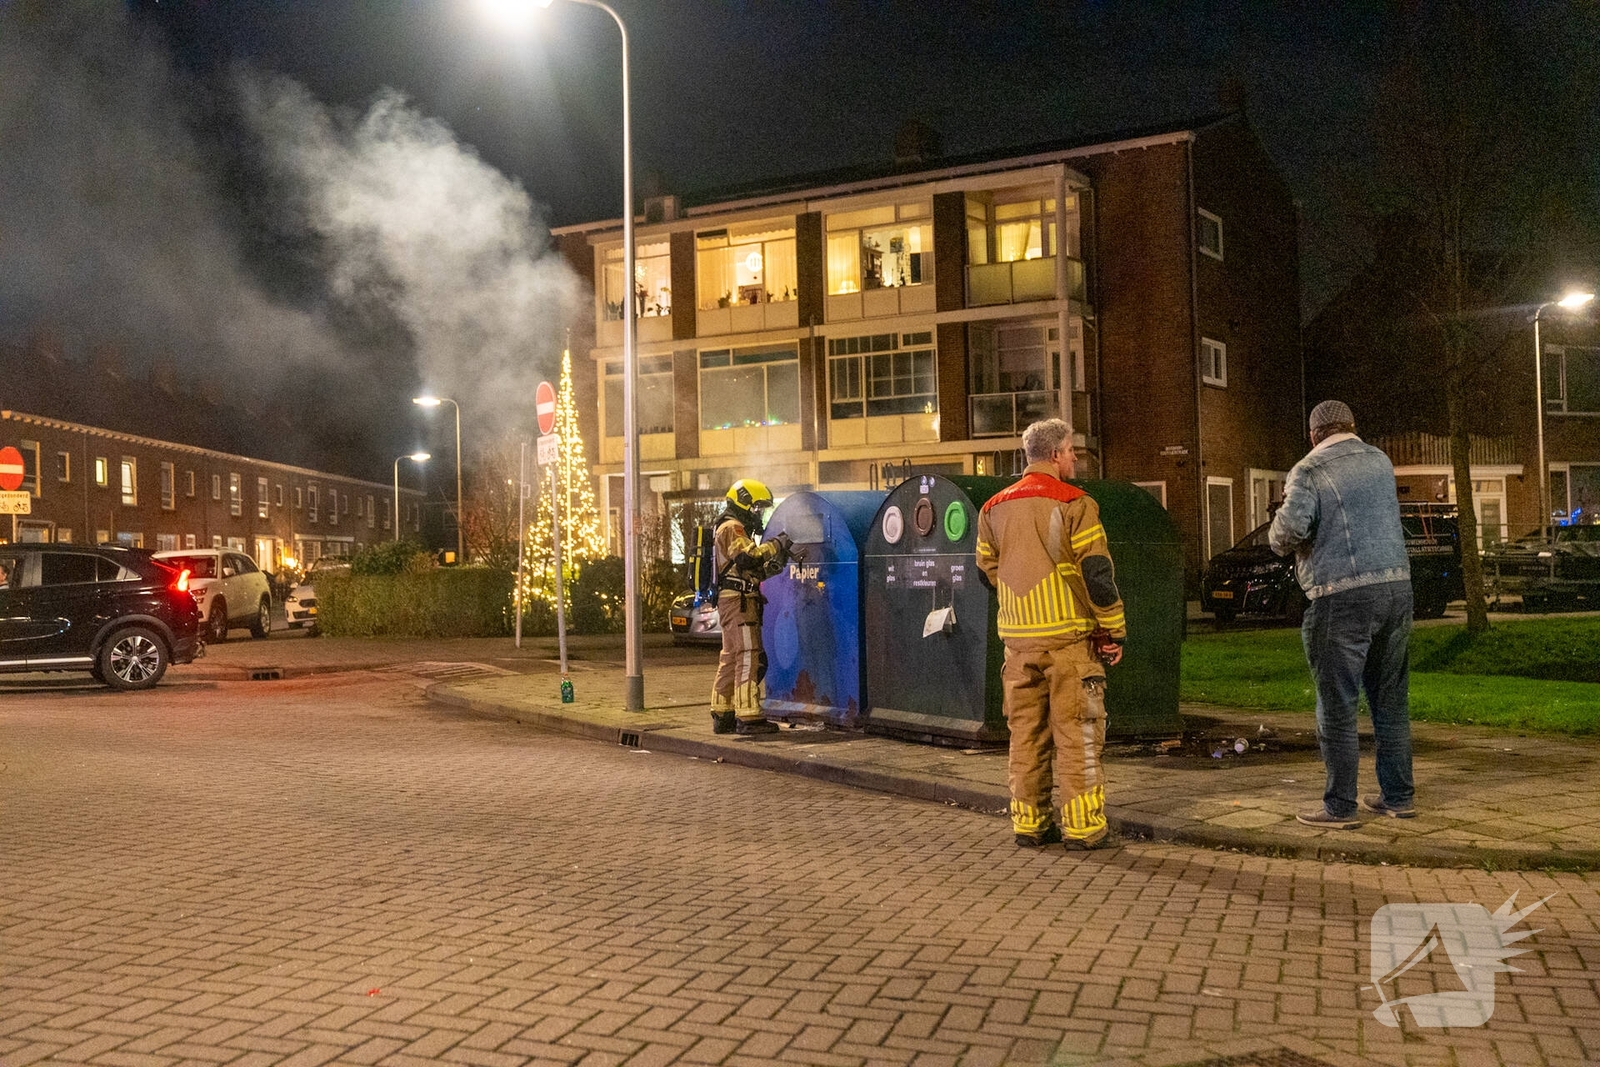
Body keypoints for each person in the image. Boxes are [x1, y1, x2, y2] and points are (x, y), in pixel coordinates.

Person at [976, 418, 1126, 850]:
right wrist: (1113, 627)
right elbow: (1097, 575)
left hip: (1018, 644)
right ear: (1056, 454)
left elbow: (987, 567)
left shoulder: (993, 507)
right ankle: (1083, 829)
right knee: (1077, 735)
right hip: (1069, 644)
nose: (1075, 459)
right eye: (1072, 452)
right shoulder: (1075, 502)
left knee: (1025, 737)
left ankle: (1030, 825)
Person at [1270, 399, 1415, 828]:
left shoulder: (1309, 470)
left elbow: (1287, 532)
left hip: (1341, 595)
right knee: (1390, 700)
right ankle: (1398, 797)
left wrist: (1281, 520)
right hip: (1396, 590)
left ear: (1315, 434)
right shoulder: (1381, 461)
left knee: (1338, 704)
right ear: (1352, 426)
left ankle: (1340, 806)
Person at [708, 479, 792, 735]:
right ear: (744, 501)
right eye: (757, 508)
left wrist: (772, 568)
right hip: (739, 604)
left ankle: (723, 713)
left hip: (732, 601)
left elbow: (744, 570)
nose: (759, 514)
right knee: (748, 655)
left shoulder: (724, 527)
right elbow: (747, 557)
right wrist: (778, 544)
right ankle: (748, 717)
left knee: (731, 657)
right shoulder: (733, 527)